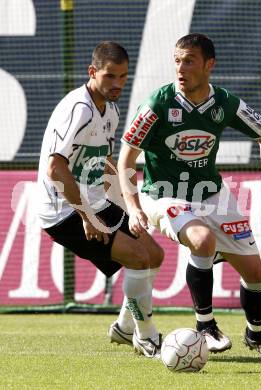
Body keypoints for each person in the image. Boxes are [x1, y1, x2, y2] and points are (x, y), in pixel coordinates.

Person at [117, 33, 261, 369]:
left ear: (210, 65)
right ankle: (204, 324)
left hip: (212, 194)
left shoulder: (224, 103)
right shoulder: (158, 104)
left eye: (190, 60)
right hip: (162, 194)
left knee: (255, 272)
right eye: (177, 60)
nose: (181, 68)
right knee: (202, 240)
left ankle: (255, 334)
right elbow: (125, 162)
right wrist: (135, 208)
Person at [36, 41, 164, 358]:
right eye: (110, 76)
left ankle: (124, 328)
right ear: (92, 72)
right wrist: (88, 217)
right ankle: (147, 337)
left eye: (123, 76)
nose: (117, 84)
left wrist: (129, 208)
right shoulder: (78, 110)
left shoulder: (112, 110)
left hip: (94, 202)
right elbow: (55, 167)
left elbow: (106, 165)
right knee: (136, 257)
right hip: (64, 210)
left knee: (153, 253)